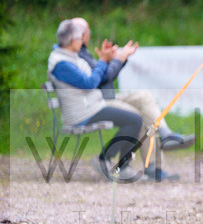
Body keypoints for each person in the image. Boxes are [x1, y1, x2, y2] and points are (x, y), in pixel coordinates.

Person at [46, 18, 182, 182]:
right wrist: (103, 61)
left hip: (91, 106)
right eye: (80, 38)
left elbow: (96, 77)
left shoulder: (70, 57)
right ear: (73, 40)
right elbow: (90, 83)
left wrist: (109, 60)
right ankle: (108, 160)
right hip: (83, 112)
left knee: (135, 117)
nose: (82, 41)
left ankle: (120, 164)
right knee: (135, 119)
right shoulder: (61, 63)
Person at [73, 17, 195, 151]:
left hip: (105, 97)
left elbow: (103, 76)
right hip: (97, 102)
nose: (89, 35)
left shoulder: (83, 53)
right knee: (139, 117)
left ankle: (166, 134)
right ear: (82, 35)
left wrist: (114, 60)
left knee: (144, 97)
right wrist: (118, 59)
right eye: (88, 32)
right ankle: (116, 160)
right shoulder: (76, 55)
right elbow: (100, 79)